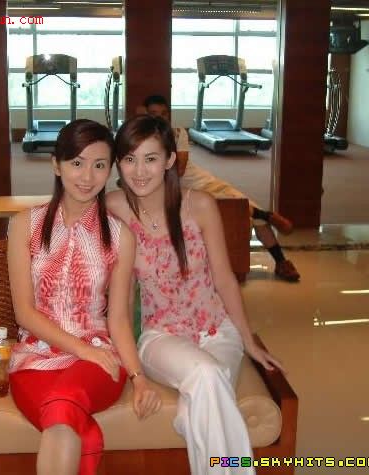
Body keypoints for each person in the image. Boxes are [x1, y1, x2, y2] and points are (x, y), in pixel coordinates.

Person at [107, 115, 284, 475]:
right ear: (118, 163)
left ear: (170, 160)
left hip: (218, 331)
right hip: (160, 336)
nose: (139, 171)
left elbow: (225, 279)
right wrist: (130, 367)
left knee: (198, 405)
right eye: (129, 159)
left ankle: (192, 426)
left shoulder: (199, 205)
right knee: (207, 373)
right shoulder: (114, 207)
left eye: (151, 158)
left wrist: (248, 341)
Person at [7, 119, 161, 475]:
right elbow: (24, 313)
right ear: (56, 165)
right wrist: (81, 349)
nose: (87, 176)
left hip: (97, 362)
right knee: (68, 421)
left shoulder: (120, 236)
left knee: (63, 405)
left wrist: (138, 377)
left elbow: (118, 318)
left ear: (110, 170)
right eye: (77, 163)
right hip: (34, 358)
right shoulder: (24, 225)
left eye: (99, 165)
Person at [139, 94, 301, 282]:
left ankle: (280, 260)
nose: (159, 118)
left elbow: (180, 169)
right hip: (181, 192)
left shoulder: (177, 133)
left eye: (164, 114)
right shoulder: (142, 138)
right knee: (239, 209)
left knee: (240, 205)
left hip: (200, 182)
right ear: (146, 115)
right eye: (154, 114)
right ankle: (265, 215)